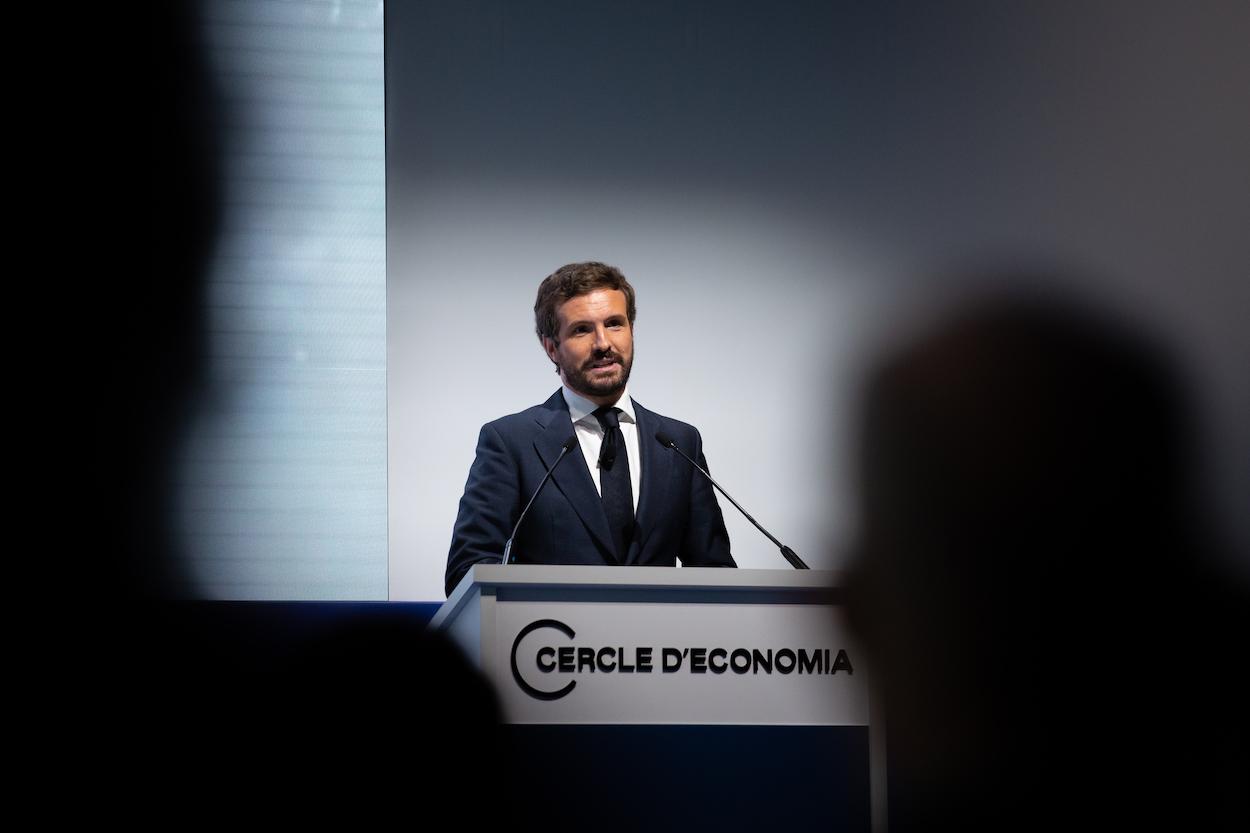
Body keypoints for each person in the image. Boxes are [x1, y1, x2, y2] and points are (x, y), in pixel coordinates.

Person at [445, 261, 736, 596]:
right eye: (582, 330)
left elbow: (716, 574)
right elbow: (468, 571)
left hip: (658, 645)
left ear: (631, 330)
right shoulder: (511, 442)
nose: (603, 343)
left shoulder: (677, 442)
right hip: (548, 643)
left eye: (614, 324)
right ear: (551, 347)